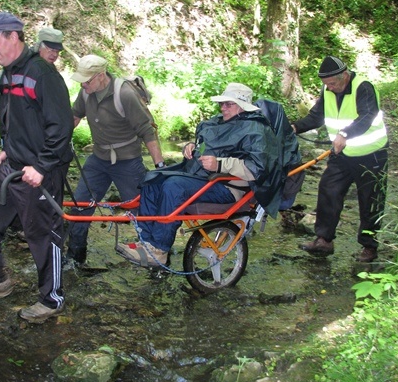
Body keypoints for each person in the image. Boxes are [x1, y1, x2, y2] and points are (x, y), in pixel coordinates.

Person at [0, 12, 74, 324]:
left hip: (38, 172)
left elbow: (61, 127)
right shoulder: (8, 73)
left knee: (42, 233)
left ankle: (52, 299)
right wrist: (4, 148)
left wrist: (41, 166)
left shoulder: (43, 74)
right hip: (10, 166)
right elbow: (11, 118)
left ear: (13, 37)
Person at [117, 83, 286, 266]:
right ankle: (147, 243)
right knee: (153, 180)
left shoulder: (256, 130)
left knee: (173, 186)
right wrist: (191, 147)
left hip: (228, 187)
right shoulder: (215, 123)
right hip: (202, 178)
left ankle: (159, 250)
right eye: (222, 104)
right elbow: (205, 145)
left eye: (229, 104)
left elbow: (257, 169)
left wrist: (220, 164)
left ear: (243, 106)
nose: (223, 108)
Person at [66, 55, 164, 265]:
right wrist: (55, 142)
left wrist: (160, 167)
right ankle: (75, 257)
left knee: (142, 211)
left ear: (101, 76)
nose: (83, 84)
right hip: (98, 161)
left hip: (128, 162)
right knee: (80, 206)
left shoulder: (125, 94)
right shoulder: (85, 93)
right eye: (81, 80)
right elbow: (74, 116)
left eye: (87, 80)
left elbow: (147, 131)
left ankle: (157, 257)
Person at [291, 56, 389, 263]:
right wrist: (295, 127)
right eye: (326, 85)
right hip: (341, 155)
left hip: (371, 155)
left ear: (345, 75)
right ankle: (324, 239)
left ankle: (369, 246)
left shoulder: (363, 87)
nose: (330, 88)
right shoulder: (328, 90)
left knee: (370, 200)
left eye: (333, 84)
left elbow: (367, 116)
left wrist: (344, 134)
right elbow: (316, 116)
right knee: (328, 191)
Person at [0, 27, 64, 115]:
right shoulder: (19, 64)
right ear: (39, 46)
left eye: (57, 51)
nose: (54, 54)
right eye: (51, 50)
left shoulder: (49, 68)